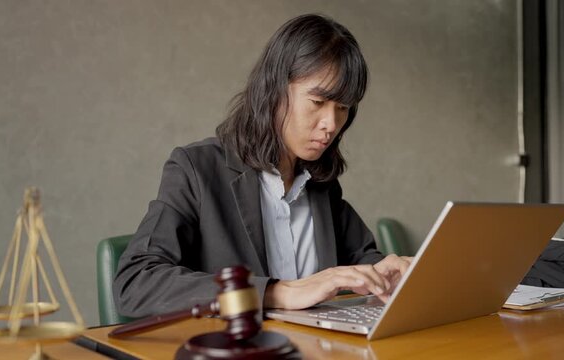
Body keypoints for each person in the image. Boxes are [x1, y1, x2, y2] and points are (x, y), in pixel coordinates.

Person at [114, 13, 412, 318]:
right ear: (274, 90)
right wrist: (277, 291)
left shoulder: (321, 185)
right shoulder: (196, 169)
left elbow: (362, 260)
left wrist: (386, 274)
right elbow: (136, 283)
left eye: (343, 108)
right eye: (318, 103)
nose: (331, 124)